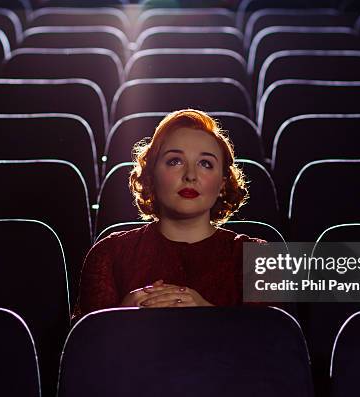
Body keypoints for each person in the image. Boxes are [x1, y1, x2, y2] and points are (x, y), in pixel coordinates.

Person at [75, 109, 265, 318]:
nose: (190, 175)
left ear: (222, 183)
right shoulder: (107, 254)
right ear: (151, 174)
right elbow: (82, 346)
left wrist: (208, 314)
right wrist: (120, 316)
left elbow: (280, 345)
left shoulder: (263, 257)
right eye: (175, 161)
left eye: (205, 163)